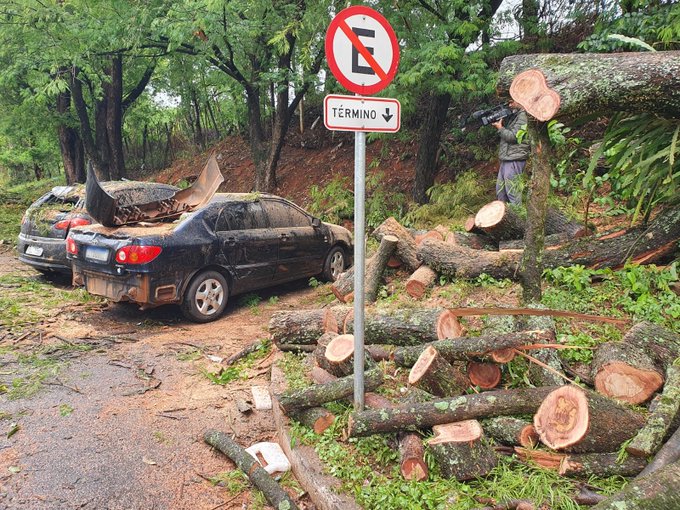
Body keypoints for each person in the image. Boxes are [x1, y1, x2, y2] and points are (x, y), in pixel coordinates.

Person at [492, 101, 530, 205]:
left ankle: (518, 218)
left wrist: (500, 128)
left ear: (519, 100)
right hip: (507, 158)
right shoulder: (515, 115)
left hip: (515, 158)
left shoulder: (523, 116)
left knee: (512, 192)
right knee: (501, 192)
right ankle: (505, 219)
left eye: (511, 102)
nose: (509, 105)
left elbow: (514, 137)